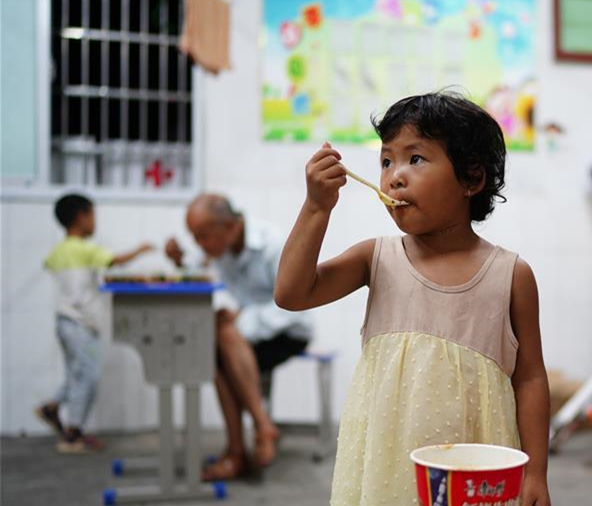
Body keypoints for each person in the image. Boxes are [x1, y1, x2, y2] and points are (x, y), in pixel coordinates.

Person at [275, 92, 552, 506]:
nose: (394, 177)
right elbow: (291, 293)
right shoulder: (376, 258)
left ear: (471, 179)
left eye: (415, 159)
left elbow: (529, 378)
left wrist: (536, 473)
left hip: (473, 476)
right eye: (386, 161)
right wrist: (317, 208)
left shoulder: (510, 275)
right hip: (384, 470)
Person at [165, 194, 312, 480]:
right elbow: (200, 265)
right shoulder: (222, 246)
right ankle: (259, 428)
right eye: (194, 237)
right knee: (218, 350)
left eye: (202, 236)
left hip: (289, 330)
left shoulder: (273, 244)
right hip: (247, 334)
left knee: (223, 337)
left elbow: (295, 304)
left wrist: (240, 320)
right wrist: (180, 261)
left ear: (231, 227)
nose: (199, 244)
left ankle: (239, 450)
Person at [35, 193, 154, 453]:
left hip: (64, 322)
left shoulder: (60, 251)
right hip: (81, 325)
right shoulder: (84, 249)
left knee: (75, 374)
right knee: (88, 376)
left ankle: (52, 407)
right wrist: (141, 249)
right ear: (81, 217)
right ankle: (73, 434)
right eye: (92, 216)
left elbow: (57, 269)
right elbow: (114, 261)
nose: (94, 222)